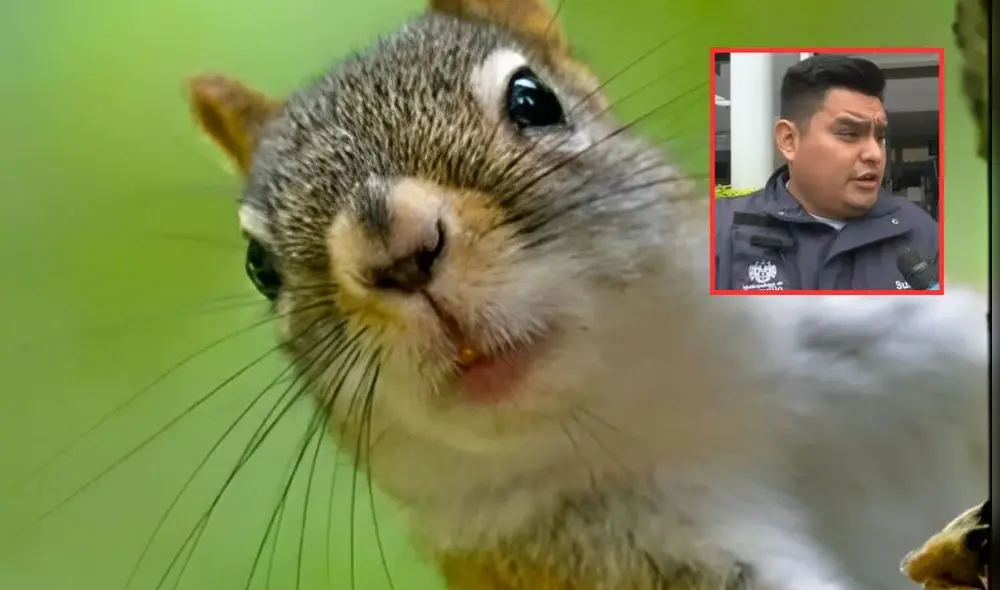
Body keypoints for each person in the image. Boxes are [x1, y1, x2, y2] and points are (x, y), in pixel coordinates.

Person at [714, 54, 939, 291]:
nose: (875, 153)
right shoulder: (719, 232)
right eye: (849, 133)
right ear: (789, 141)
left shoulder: (920, 231)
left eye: (880, 136)